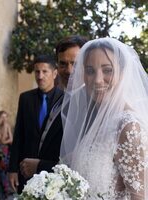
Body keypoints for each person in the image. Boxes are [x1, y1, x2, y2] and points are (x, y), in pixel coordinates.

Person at [60, 38, 148, 199]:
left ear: (123, 73)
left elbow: (139, 196)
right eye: (90, 71)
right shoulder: (100, 120)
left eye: (107, 70)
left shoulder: (129, 127)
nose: (98, 80)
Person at [8, 55, 63, 193]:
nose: (40, 76)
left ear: (54, 73)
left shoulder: (65, 99)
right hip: (25, 169)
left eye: (45, 72)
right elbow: (19, 134)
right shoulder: (25, 98)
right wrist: (13, 169)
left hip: (51, 171)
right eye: (37, 72)